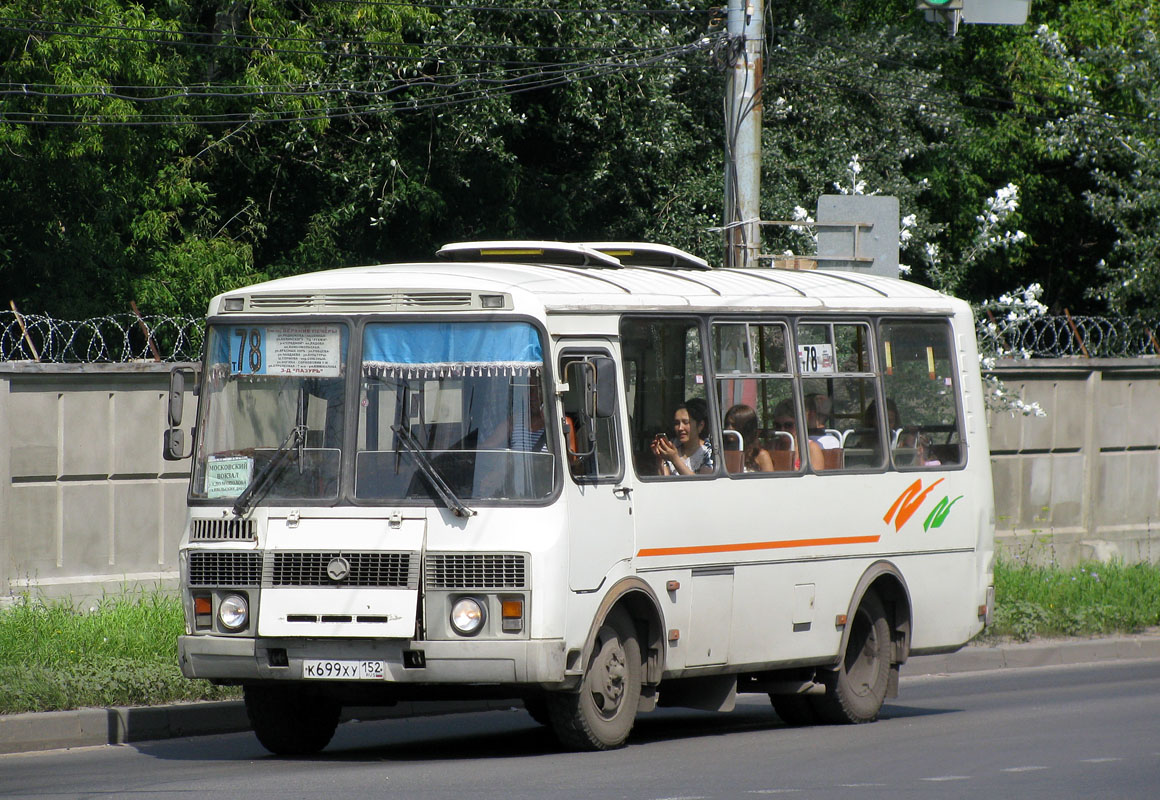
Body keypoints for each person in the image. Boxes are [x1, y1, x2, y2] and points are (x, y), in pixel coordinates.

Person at [651, 398, 714, 476]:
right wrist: (660, 458)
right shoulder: (672, 446)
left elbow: (701, 483)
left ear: (700, 425)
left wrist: (675, 459)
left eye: (686, 422)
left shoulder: (709, 451)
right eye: (677, 423)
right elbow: (664, 479)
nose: (680, 428)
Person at [723, 403, 774, 473]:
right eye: (727, 424)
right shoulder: (723, 451)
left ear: (746, 428)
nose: (729, 428)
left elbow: (770, 481)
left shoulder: (761, 455)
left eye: (734, 425)